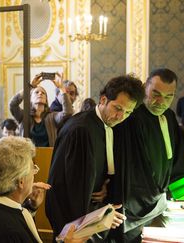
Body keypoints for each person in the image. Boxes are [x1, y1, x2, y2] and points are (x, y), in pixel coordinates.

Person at [45, 74, 145, 241]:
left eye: (128, 112)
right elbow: (68, 187)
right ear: (103, 99)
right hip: (74, 224)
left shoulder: (106, 124)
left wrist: (103, 185)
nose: (121, 117)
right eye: (118, 108)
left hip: (93, 215)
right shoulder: (81, 130)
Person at [0, 136, 86, 243]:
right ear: (21, 181)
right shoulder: (9, 232)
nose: (34, 174)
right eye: (33, 169)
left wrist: (31, 208)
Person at [118, 68, 184, 242]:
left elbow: (176, 160)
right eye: (155, 93)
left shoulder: (169, 117)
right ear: (145, 87)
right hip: (134, 204)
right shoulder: (131, 117)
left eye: (168, 97)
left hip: (161, 201)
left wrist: (175, 191)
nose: (161, 101)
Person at [9, 73, 74, 147]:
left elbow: (68, 112)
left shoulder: (52, 117)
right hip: (27, 157)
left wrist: (62, 89)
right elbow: (12, 105)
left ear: (46, 100)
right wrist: (29, 87)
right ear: (31, 99)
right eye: (36, 92)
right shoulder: (24, 116)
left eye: (43, 93)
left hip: (48, 157)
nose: (40, 93)